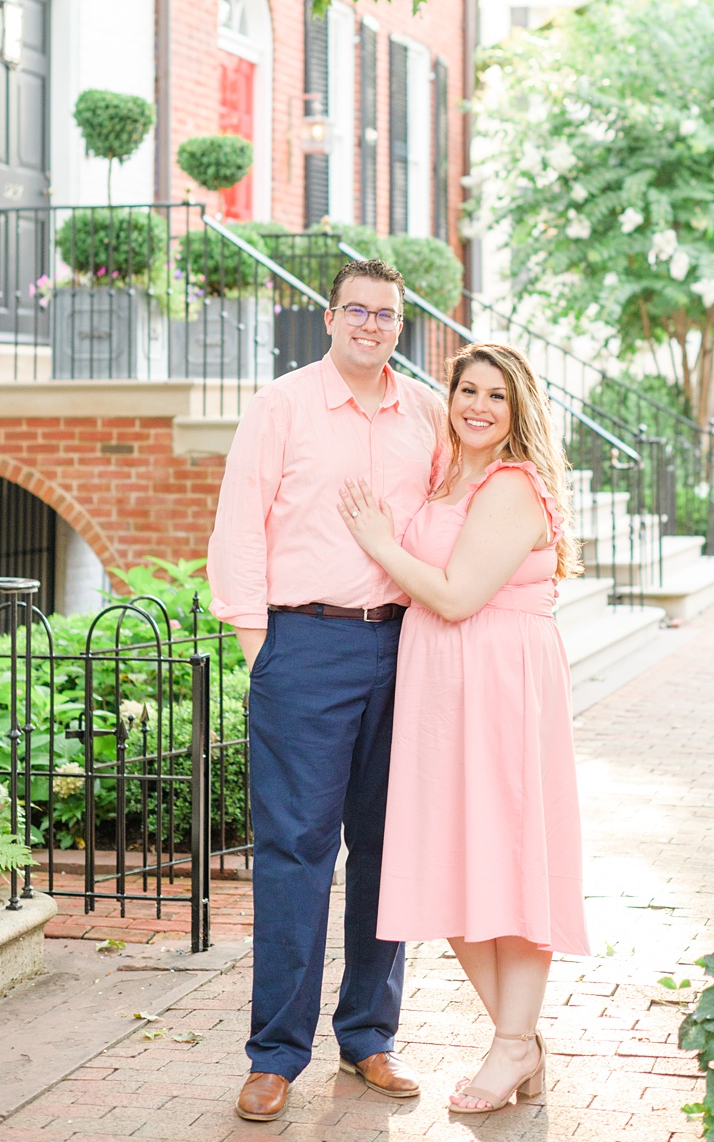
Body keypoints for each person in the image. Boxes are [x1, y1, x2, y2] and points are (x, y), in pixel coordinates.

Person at [205, 259, 446, 1123]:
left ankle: (370, 1038)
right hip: (303, 642)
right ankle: (275, 1055)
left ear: (400, 326)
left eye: (386, 315)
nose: (372, 326)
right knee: (297, 851)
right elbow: (239, 524)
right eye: (357, 310)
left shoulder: (425, 413)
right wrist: (257, 640)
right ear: (329, 319)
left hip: (405, 642)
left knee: (388, 848)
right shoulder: (282, 407)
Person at [334, 342, 590, 1115]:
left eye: (496, 397)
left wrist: (380, 543)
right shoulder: (452, 476)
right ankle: (521, 1043)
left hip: (499, 687)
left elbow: (455, 594)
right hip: (445, 689)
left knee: (510, 866)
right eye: (467, 390)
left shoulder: (512, 485)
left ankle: (512, 1046)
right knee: (453, 870)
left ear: (519, 414)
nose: (477, 406)